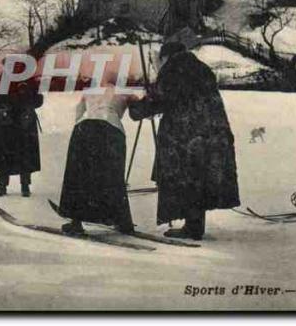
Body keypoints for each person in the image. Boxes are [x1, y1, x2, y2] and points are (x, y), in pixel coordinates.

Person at [129, 42, 239, 240]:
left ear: (166, 57)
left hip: (186, 136)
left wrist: (136, 107)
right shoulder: (202, 68)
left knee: (186, 178)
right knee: (200, 179)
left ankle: (192, 228)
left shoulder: (173, 70)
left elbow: (158, 100)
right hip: (213, 134)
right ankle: (195, 225)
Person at [58, 73, 138, 235]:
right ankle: (122, 221)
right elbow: (140, 113)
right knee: (113, 176)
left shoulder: (91, 90)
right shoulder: (125, 91)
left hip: (84, 128)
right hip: (110, 129)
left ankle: (76, 221)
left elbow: (79, 110)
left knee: (79, 176)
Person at [0, 77, 43, 197]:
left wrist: (26, 103)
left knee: (25, 154)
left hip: (24, 122)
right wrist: (2, 104)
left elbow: (38, 100)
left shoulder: (30, 81)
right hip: (4, 122)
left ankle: (25, 186)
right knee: (3, 155)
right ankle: (2, 186)